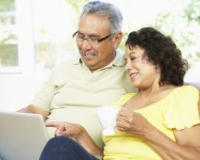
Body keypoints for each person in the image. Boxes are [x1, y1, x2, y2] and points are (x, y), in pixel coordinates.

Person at [39, 27, 200, 160]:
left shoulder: (180, 96)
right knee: (60, 145)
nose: (127, 67)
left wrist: (145, 130)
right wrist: (81, 134)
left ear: (157, 59)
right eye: (126, 62)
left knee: (59, 146)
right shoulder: (124, 101)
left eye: (133, 58)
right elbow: (105, 156)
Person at [19, 0, 135, 148]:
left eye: (94, 38)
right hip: (40, 149)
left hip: (83, 153)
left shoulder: (131, 71)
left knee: (61, 146)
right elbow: (35, 110)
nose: (85, 46)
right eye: (81, 36)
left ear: (116, 39)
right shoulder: (63, 68)